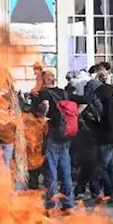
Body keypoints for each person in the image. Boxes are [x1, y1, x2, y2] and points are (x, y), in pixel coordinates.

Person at [34, 68, 78, 213]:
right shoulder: (64, 92)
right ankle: (68, 204)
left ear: (44, 80)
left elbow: (45, 105)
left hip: (52, 133)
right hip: (66, 135)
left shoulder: (44, 92)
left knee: (51, 170)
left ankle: (51, 205)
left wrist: (42, 116)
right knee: (65, 169)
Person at [89, 81, 113, 203]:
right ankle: (112, 191)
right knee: (109, 167)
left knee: (101, 167)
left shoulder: (109, 105)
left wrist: (95, 124)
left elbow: (108, 124)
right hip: (112, 138)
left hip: (107, 139)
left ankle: (106, 192)